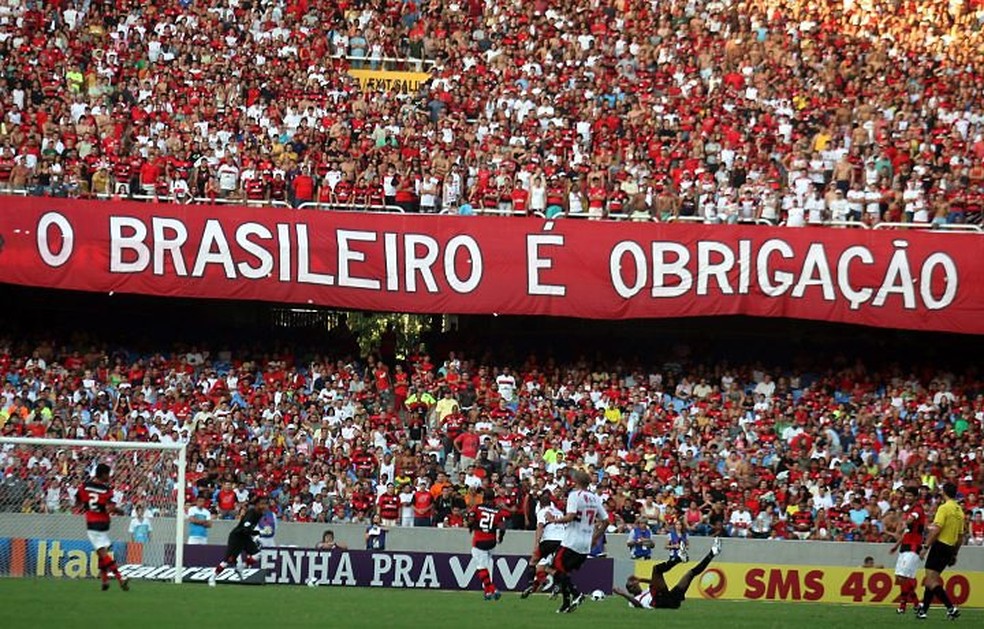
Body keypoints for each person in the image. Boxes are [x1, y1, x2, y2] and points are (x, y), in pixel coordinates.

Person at [549, 470, 609, 613]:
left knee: (555, 567)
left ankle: (576, 594)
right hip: (585, 543)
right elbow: (606, 521)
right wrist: (595, 538)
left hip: (571, 541)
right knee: (564, 572)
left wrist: (553, 520)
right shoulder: (594, 498)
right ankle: (566, 603)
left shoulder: (575, 495)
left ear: (576, 482)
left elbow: (570, 516)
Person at [613, 538, 722, 610]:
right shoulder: (633, 601)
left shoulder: (647, 591)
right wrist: (623, 594)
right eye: (632, 584)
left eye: (634, 583)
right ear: (631, 589)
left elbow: (654, 581)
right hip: (659, 603)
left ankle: (713, 552)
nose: (636, 584)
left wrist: (641, 579)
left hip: (670, 601)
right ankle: (679, 558)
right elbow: (638, 605)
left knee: (690, 574)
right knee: (656, 569)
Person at [916, 482, 966, 620]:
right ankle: (923, 610)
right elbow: (960, 536)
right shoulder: (959, 511)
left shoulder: (944, 508)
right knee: (932, 579)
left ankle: (950, 608)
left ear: (944, 492)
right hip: (950, 547)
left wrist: (925, 547)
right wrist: (954, 554)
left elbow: (937, 529)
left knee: (931, 580)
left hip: (940, 545)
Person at [78, 463, 129, 591]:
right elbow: (110, 507)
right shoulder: (106, 490)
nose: (109, 477)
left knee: (102, 553)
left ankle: (120, 578)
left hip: (92, 523)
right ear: (103, 474)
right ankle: (105, 581)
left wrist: (86, 506)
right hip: (104, 523)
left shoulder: (85, 486)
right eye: (108, 475)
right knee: (101, 553)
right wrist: (120, 511)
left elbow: (78, 501)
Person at [208, 496, 268, 587]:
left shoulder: (259, 514)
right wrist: (260, 532)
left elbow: (248, 530)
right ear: (257, 504)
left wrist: (257, 533)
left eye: (265, 504)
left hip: (245, 537)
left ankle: (241, 567)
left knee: (257, 555)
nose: (264, 506)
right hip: (237, 537)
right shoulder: (251, 513)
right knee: (228, 560)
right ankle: (212, 577)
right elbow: (245, 529)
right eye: (262, 504)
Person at [521, 490, 565, 599]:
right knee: (544, 567)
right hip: (562, 541)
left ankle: (531, 584)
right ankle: (548, 583)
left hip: (549, 540)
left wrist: (537, 543)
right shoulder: (559, 512)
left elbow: (540, 527)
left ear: (540, 504)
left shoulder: (542, 512)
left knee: (533, 561)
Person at [888, 486, 924, 614]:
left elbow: (911, 520)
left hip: (913, 546)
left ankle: (906, 605)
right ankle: (915, 604)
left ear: (915, 497)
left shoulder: (918, 509)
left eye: (910, 496)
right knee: (900, 577)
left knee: (904, 576)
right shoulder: (909, 510)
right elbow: (906, 532)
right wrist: (896, 545)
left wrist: (904, 521)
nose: (907, 498)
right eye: (906, 495)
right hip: (905, 546)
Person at [468, 488, 507, 601]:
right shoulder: (497, 511)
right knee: (485, 566)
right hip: (492, 541)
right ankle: (487, 592)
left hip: (480, 540)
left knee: (481, 567)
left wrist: (471, 526)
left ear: (483, 498)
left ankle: (492, 589)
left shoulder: (477, 508)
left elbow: (470, 519)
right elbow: (502, 527)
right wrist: (500, 537)